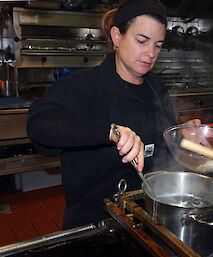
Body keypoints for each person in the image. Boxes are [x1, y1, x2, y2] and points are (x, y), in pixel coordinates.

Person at [27, 0, 200, 229]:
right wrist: (110, 132)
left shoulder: (156, 88)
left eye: (158, 45)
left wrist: (180, 136)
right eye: (142, 41)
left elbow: (160, 150)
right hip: (94, 224)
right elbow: (40, 123)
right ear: (117, 36)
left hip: (145, 217)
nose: (151, 53)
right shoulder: (85, 86)